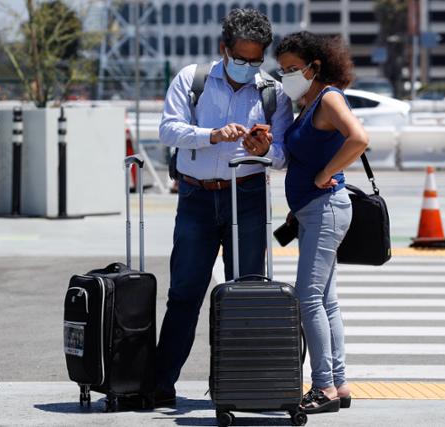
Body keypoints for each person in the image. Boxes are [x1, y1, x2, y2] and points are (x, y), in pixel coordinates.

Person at [153, 9, 293, 407]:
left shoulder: (273, 92)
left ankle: (244, 384)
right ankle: (162, 383)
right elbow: (168, 129)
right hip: (196, 196)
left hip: (247, 195)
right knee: (184, 292)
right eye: (240, 58)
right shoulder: (192, 78)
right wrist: (211, 135)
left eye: (255, 60)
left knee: (246, 292)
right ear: (224, 49)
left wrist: (265, 149)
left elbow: (283, 155)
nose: (248, 67)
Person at [274, 31, 369, 414]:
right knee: (325, 300)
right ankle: (339, 384)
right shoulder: (309, 104)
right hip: (313, 210)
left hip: (326, 205)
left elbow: (359, 138)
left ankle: (324, 387)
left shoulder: (328, 98)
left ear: (316, 66)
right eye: (282, 70)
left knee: (307, 296)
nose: (287, 77)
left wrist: (324, 174)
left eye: (293, 69)